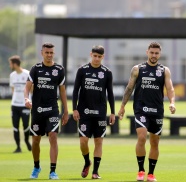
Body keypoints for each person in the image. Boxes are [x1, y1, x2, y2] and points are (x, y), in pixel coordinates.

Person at [118, 42, 176, 182]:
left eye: (156, 53)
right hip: (141, 109)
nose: (154, 55)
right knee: (142, 137)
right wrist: (122, 106)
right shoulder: (138, 69)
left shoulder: (164, 70)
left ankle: (151, 173)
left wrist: (172, 102)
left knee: (154, 143)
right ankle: (140, 171)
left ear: (159, 54)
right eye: (152, 52)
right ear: (147, 52)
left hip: (157, 111)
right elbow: (129, 88)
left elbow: (170, 88)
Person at [24, 43, 69, 180]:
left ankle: (53, 171)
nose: (49, 55)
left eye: (51, 53)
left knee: (53, 136)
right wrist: (26, 99)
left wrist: (66, 111)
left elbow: (62, 92)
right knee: (36, 140)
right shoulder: (35, 69)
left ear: (53, 54)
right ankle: (36, 167)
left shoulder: (59, 69)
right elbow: (27, 88)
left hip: (52, 110)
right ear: (42, 53)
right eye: (47, 52)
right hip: (37, 110)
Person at [72, 45, 115, 179]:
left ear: (103, 57)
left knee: (98, 141)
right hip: (84, 112)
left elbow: (110, 93)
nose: (96, 59)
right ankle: (87, 162)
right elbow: (75, 91)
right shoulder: (82, 70)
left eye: (99, 56)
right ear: (91, 55)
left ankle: (95, 172)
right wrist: (74, 108)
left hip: (100, 113)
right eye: (95, 56)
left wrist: (112, 112)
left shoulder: (107, 72)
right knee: (83, 141)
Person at [9, 55, 32, 153]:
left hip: (25, 104)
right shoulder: (12, 75)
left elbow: (31, 89)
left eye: (10, 63)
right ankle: (18, 147)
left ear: (14, 64)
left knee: (26, 125)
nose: (10, 65)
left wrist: (30, 100)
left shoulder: (27, 73)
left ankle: (27, 141)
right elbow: (13, 90)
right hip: (15, 105)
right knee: (15, 126)